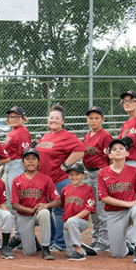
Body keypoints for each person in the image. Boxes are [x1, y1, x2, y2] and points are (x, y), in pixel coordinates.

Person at [35, 104, 86, 251]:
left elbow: (81, 149)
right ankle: (50, 240)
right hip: (44, 180)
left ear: (63, 121)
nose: (53, 120)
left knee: (59, 211)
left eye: (57, 118)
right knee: (46, 211)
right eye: (51, 118)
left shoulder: (67, 135)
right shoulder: (46, 136)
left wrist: (66, 164)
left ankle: (60, 242)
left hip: (58, 179)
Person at [98, 139, 136, 264]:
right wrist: (128, 203)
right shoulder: (103, 173)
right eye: (114, 149)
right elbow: (104, 197)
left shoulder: (134, 171)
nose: (118, 151)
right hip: (114, 214)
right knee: (117, 254)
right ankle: (127, 247)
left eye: (121, 148)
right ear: (110, 155)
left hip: (131, 210)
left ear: (127, 154)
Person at [10, 148, 60, 260]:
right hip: (24, 214)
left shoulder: (45, 179)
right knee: (29, 252)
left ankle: (46, 248)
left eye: (34, 159)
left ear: (38, 162)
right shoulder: (17, 180)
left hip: (39, 213)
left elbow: (57, 200)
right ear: (23, 162)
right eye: (27, 159)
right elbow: (14, 204)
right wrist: (30, 210)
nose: (31, 161)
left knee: (44, 213)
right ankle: (35, 242)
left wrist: (46, 206)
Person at [83, 105, 112, 252]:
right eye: (91, 118)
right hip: (90, 173)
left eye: (97, 118)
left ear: (102, 120)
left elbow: (111, 158)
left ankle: (105, 240)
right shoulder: (87, 136)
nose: (93, 121)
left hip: (101, 173)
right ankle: (96, 237)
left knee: (101, 208)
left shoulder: (105, 136)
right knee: (93, 208)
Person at [2, 106, 31, 240]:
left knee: (17, 201)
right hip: (9, 166)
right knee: (11, 202)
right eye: (11, 117)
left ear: (23, 118)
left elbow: (26, 154)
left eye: (16, 117)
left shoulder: (22, 132)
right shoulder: (13, 131)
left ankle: (20, 236)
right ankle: (18, 235)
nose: (13, 119)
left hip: (17, 166)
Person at [61, 163, 97, 261]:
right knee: (70, 253)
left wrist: (72, 219)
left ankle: (79, 250)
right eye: (71, 175)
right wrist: (67, 221)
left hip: (82, 222)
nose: (74, 177)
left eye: (77, 174)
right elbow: (63, 206)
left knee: (72, 222)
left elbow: (88, 209)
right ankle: (82, 249)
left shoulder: (88, 189)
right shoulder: (65, 190)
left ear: (83, 175)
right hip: (68, 223)